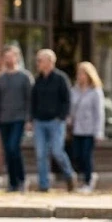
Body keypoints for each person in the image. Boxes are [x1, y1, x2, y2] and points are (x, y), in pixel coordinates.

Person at [0, 45, 34, 192]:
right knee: (7, 151)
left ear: (17, 57)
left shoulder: (25, 77)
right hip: (4, 119)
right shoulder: (0, 79)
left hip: (19, 119)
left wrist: (28, 119)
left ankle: (21, 179)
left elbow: (30, 100)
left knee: (14, 148)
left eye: (11, 56)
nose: (9, 59)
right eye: (6, 56)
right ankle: (13, 183)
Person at [30, 48, 76, 192]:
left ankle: (69, 175)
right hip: (40, 122)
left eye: (40, 60)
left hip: (56, 122)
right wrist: (32, 118)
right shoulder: (38, 81)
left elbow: (67, 100)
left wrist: (61, 117)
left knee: (57, 151)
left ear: (50, 62)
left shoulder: (61, 79)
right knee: (41, 154)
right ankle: (44, 185)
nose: (37, 63)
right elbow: (33, 101)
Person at [69, 61, 105, 193]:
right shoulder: (74, 90)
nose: (80, 76)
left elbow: (99, 112)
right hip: (77, 128)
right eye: (79, 73)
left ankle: (88, 181)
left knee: (86, 155)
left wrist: (99, 131)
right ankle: (87, 177)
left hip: (90, 129)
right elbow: (71, 109)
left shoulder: (95, 91)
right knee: (77, 155)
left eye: (83, 73)